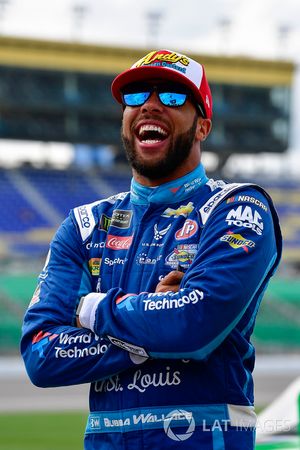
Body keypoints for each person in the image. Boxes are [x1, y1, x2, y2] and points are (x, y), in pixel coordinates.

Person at [21, 49, 282, 449]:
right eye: (137, 95)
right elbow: (40, 354)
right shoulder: (84, 225)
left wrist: (87, 309)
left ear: (202, 127)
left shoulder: (237, 208)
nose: (151, 105)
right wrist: (149, 332)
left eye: (174, 97)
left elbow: (194, 325)